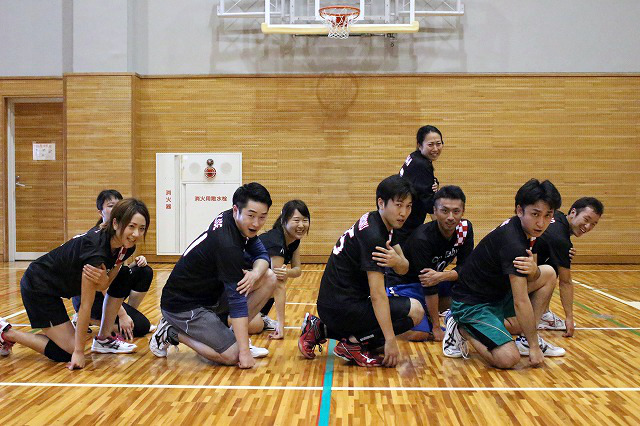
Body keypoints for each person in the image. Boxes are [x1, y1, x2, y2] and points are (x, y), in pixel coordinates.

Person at [0, 199, 150, 369]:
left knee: (124, 275)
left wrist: (104, 282)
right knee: (67, 352)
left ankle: (104, 338)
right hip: (39, 285)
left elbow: (106, 283)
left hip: (61, 287)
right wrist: (78, 352)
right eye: (131, 226)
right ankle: (6, 332)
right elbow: (86, 304)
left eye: (141, 228)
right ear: (115, 223)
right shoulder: (95, 252)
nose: (136, 234)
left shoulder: (125, 247)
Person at [298, 175, 424, 368]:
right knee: (416, 310)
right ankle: (352, 345)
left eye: (408, 206)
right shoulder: (374, 236)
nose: (404, 213)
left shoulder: (381, 220)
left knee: (377, 341)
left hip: (334, 304)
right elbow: (378, 295)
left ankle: (320, 329)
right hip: (342, 307)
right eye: (399, 205)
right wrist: (391, 340)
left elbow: (404, 267)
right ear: (381, 203)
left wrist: (397, 261)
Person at [149, 183, 277, 369]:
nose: (256, 223)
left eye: (262, 217)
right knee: (233, 356)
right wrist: (244, 352)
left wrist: (255, 274)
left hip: (211, 296)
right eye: (251, 216)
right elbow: (237, 301)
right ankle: (170, 331)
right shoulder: (227, 244)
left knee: (269, 277)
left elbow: (262, 255)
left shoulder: (235, 221)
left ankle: (231, 339)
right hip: (183, 305)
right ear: (236, 210)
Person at [442, 179, 566, 369]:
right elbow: (520, 301)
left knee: (547, 273)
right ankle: (460, 327)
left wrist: (535, 271)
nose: (541, 222)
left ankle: (525, 340)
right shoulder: (513, 243)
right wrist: (535, 347)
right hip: (472, 304)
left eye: (548, 215)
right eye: (535, 214)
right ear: (519, 210)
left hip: (496, 295)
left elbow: (529, 277)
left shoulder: (524, 228)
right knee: (508, 358)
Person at [386, 185, 474, 342]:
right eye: (444, 211)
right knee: (419, 334)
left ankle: (427, 312)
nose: (451, 217)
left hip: (435, 280)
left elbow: (467, 268)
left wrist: (442, 276)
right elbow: (428, 284)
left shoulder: (465, 229)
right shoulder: (422, 239)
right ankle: (382, 326)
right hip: (405, 284)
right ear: (434, 211)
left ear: (463, 211)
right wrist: (436, 327)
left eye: (456, 211)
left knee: (470, 287)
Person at [71, 190, 154, 339]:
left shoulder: (123, 241)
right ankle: (90, 319)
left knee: (143, 271)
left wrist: (136, 263)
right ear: (100, 212)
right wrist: (122, 314)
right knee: (142, 327)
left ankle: (126, 317)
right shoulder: (97, 242)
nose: (116, 209)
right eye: (111, 206)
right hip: (89, 296)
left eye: (119, 205)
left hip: (107, 290)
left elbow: (116, 273)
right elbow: (101, 283)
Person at [534, 197, 604, 337]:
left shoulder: (557, 216)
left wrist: (563, 254)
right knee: (550, 273)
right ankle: (533, 325)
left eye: (593, 224)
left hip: (511, 269)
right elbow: (565, 282)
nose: (588, 227)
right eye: (586, 219)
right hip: (509, 279)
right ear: (573, 212)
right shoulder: (560, 239)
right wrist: (569, 317)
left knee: (554, 264)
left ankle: (544, 314)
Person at [249, 200, 311, 339]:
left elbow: (297, 270)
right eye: (296, 220)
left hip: (255, 287)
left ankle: (260, 316)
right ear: (284, 220)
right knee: (256, 326)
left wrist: (287, 272)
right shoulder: (276, 241)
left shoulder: (294, 239)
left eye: (305, 220)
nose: (301, 225)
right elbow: (278, 285)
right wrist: (280, 327)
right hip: (241, 287)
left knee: (275, 278)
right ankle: (230, 319)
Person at [394, 125, 443, 244]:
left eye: (438, 144)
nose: (435, 148)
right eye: (430, 145)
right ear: (419, 145)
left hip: (400, 217)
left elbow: (418, 180)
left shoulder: (414, 156)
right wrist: (443, 233)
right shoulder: (423, 165)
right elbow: (429, 203)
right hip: (405, 224)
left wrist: (434, 182)